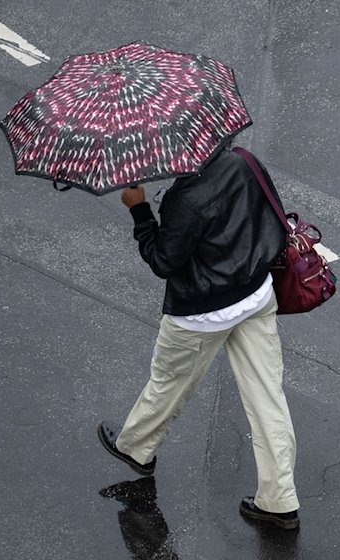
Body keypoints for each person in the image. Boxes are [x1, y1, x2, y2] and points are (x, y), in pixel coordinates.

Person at [96, 147, 300, 530]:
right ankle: (279, 500)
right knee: (268, 398)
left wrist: (139, 209)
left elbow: (163, 261)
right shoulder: (244, 160)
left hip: (201, 313)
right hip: (255, 296)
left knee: (169, 382)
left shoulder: (184, 199)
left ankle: (136, 447)